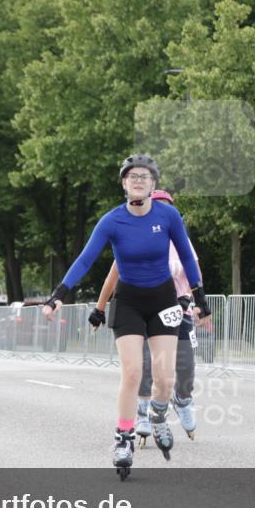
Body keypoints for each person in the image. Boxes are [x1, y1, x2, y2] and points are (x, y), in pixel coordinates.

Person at [42, 154, 212, 480]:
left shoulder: (168, 215)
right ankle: (123, 437)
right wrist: (59, 295)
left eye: (145, 176)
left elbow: (188, 258)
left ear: (153, 184)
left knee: (165, 380)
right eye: (132, 176)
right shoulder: (112, 221)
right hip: (130, 303)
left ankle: (160, 416)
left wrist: (200, 297)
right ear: (123, 183)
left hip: (164, 301)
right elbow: (85, 260)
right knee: (133, 373)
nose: (138, 180)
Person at [93, 189, 201, 443]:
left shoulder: (181, 241)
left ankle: (182, 399)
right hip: (143, 309)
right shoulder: (136, 241)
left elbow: (195, 274)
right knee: (141, 365)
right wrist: (99, 308)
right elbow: (113, 277)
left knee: (183, 365)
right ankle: (143, 412)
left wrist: (197, 303)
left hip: (178, 310)